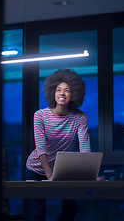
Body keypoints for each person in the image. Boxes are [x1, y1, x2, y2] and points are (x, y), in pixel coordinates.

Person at [25, 69, 91, 221]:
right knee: (39, 213)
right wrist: (49, 175)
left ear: (74, 94)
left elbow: (85, 149)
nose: (62, 93)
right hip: (35, 168)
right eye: (58, 89)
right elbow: (41, 148)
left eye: (67, 90)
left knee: (70, 207)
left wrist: (90, 176)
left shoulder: (80, 117)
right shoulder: (40, 115)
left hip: (61, 171)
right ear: (52, 93)